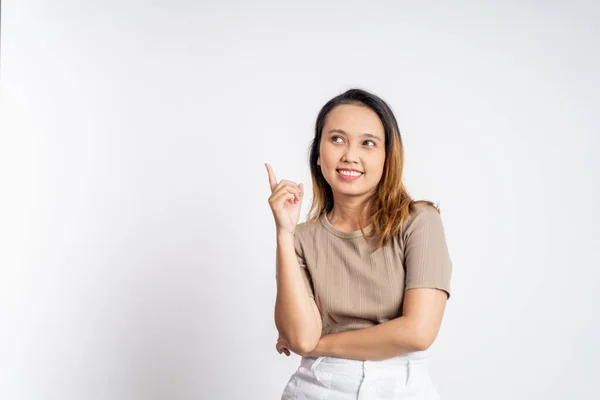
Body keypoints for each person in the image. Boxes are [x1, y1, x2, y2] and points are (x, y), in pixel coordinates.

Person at [266, 88, 453, 399]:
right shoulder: (301, 238)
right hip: (317, 388)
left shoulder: (420, 221)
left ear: (387, 156)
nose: (350, 155)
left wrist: (318, 345)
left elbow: (418, 332)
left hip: (401, 388)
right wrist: (284, 233)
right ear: (318, 152)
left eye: (368, 143)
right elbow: (300, 335)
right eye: (337, 139)